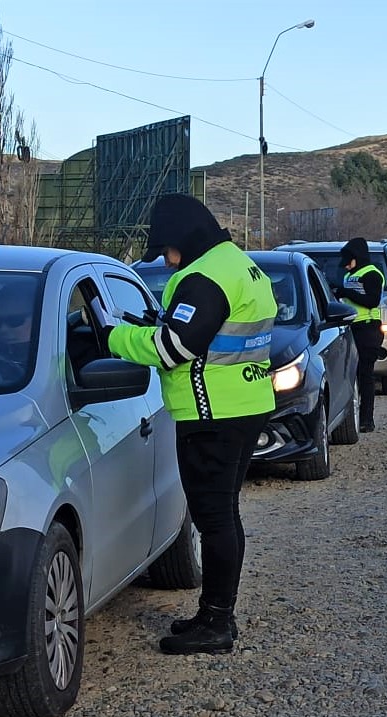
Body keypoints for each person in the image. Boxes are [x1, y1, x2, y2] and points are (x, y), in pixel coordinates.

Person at [103, 193, 277, 655]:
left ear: (183, 239)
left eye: (166, 249)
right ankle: (215, 615)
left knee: (215, 518)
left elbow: (174, 348)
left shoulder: (203, 278)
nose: (165, 258)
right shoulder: (241, 266)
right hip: (246, 401)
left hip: (211, 413)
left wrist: (113, 337)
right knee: (225, 515)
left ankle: (217, 624)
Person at [333, 237, 384, 432]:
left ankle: (366, 419)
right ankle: (349, 417)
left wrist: (346, 293)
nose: (345, 266)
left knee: (365, 376)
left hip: (368, 329)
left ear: (357, 257)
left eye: (348, 261)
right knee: (350, 375)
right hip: (351, 328)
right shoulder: (350, 275)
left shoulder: (372, 274)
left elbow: (372, 300)